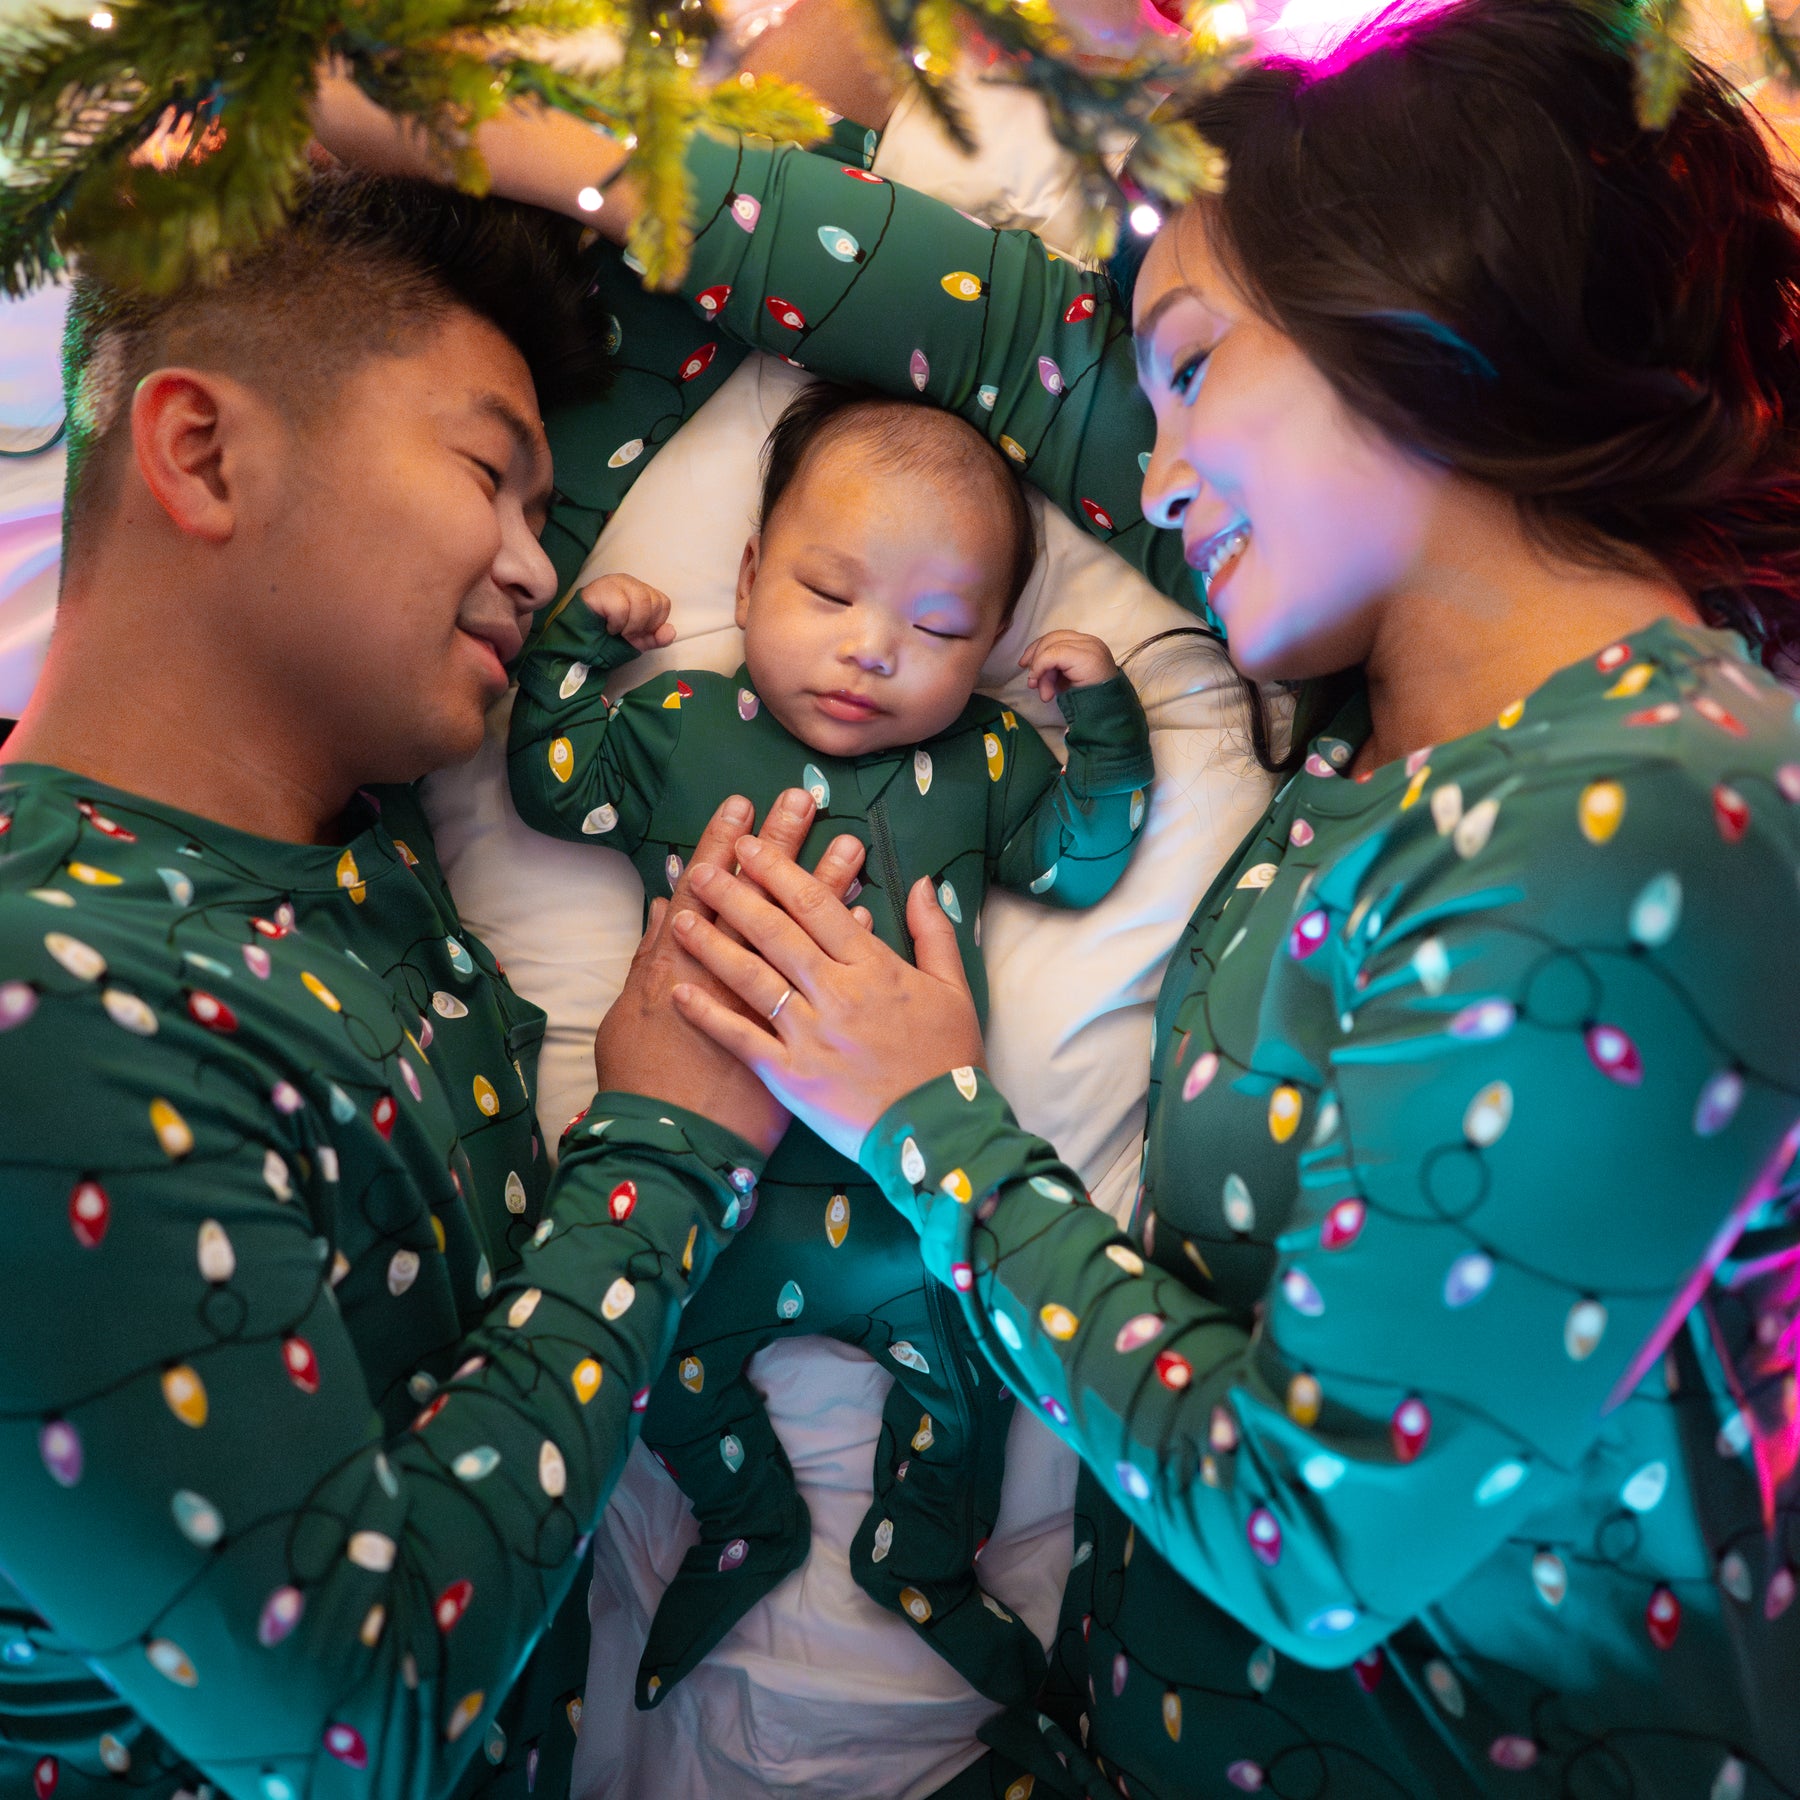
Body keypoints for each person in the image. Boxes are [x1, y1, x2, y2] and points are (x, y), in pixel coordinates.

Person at [621, 2, 1800, 1794]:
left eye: (1185, 368)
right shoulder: (1374, 746)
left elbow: (1308, 1543)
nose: (1154, 469)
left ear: (1416, 305)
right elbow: (961, 322)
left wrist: (930, 1128)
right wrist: (418, 129)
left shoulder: (1663, 817)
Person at [0, 169, 872, 1800]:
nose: (538, 567)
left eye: (547, 511)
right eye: (492, 475)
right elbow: (355, 1725)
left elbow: (706, 309)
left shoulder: (344, 828)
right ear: (199, 450)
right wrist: (663, 1154)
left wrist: (390, 116)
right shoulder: (37, 991)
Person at [506, 379, 1153, 1710]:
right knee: (654, 1374)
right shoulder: (678, 724)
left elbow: (1084, 860)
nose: (872, 649)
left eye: (935, 625)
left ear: (982, 657)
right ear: (744, 578)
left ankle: (920, 1556)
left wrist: (1102, 729)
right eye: (828, 593)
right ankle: (746, 1521)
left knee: (976, 1385)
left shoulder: (981, 762)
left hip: (910, 1200)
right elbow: (552, 781)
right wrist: (576, 650)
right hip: (709, 1199)